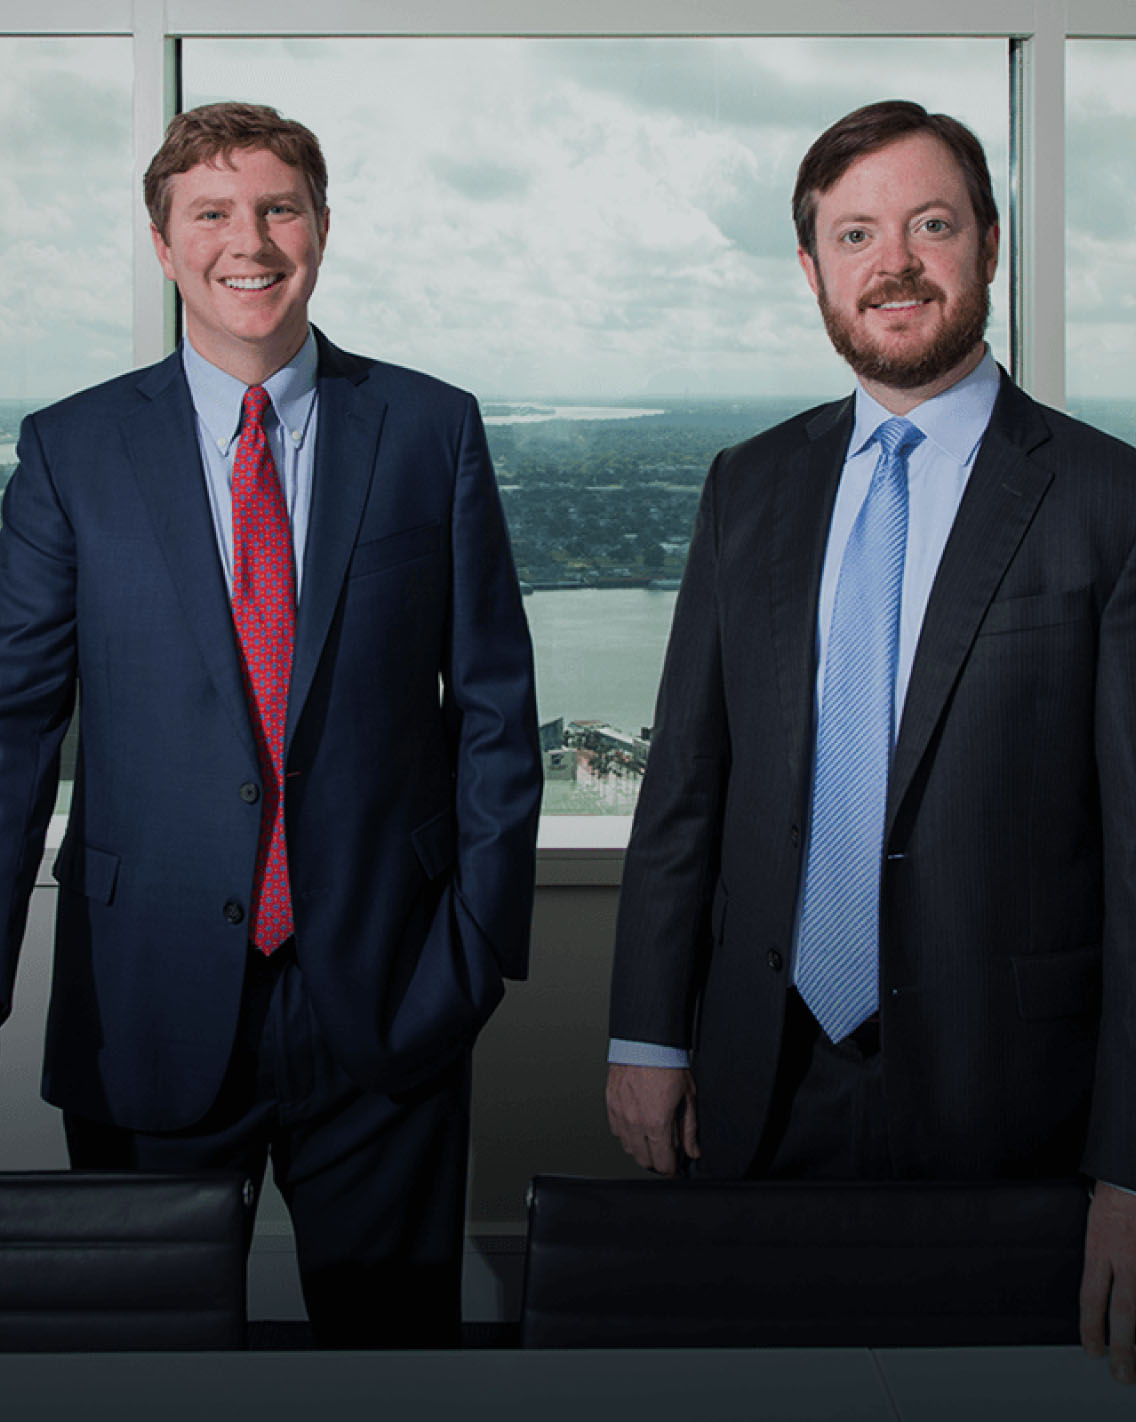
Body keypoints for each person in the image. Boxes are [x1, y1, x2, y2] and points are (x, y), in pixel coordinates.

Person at [605, 100, 1136, 1384]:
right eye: (853, 234)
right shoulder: (748, 484)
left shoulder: (1106, 500)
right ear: (812, 271)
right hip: (757, 1069)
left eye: (928, 224)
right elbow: (684, 781)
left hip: (1012, 1098)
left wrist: (1129, 1165)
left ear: (988, 247)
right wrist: (645, 1035)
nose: (891, 260)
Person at [0, 101, 542, 1348]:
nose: (249, 241)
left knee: (393, 1355)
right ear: (162, 241)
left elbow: (499, 712)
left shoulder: (430, 429)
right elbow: (17, 729)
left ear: (322, 227)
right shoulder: (72, 449)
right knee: (137, 1365)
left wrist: (472, 955)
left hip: (388, 998)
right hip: (143, 998)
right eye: (212, 213)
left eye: (278, 208)